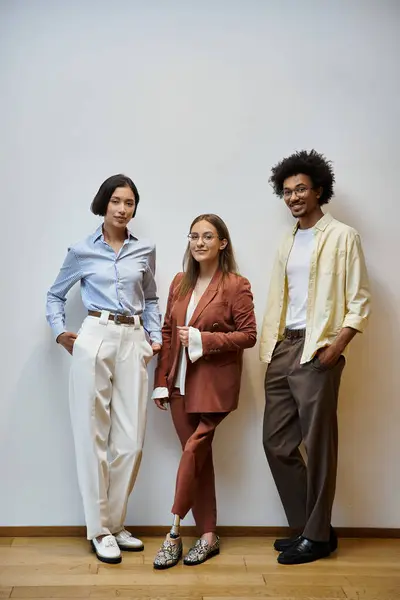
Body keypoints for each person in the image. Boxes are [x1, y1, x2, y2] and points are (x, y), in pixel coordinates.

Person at [260, 150, 371, 565]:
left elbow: (359, 300)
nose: (293, 197)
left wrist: (337, 345)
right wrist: (272, 349)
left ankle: (315, 536)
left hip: (318, 347)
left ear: (319, 189)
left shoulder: (344, 236)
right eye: (287, 191)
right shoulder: (287, 240)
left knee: (319, 445)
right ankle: (315, 530)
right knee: (276, 443)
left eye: (301, 188)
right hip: (283, 347)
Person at [46, 174, 162, 564]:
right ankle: (99, 530)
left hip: (132, 340)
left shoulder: (144, 249)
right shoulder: (81, 250)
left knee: (131, 441)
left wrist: (154, 335)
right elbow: (54, 295)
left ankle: (113, 522)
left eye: (129, 203)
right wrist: (62, 332)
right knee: (91, 434)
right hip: (94, 334)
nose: (123, 209)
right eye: (116, 201)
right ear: (104, 203)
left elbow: (150, 297)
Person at [151, 214, 257, 569]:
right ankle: (209, 535)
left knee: (193, 451)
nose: (199, 242)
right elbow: (168, 333)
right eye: (194, 236)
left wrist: (202, 339)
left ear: (222, 243)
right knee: (198, 458)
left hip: (214, 387)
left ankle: (174, 531)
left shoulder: (236, 285)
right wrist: (161, 382)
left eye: (207, 236)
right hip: (179, 384)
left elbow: (249, 335)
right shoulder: (180, 282)